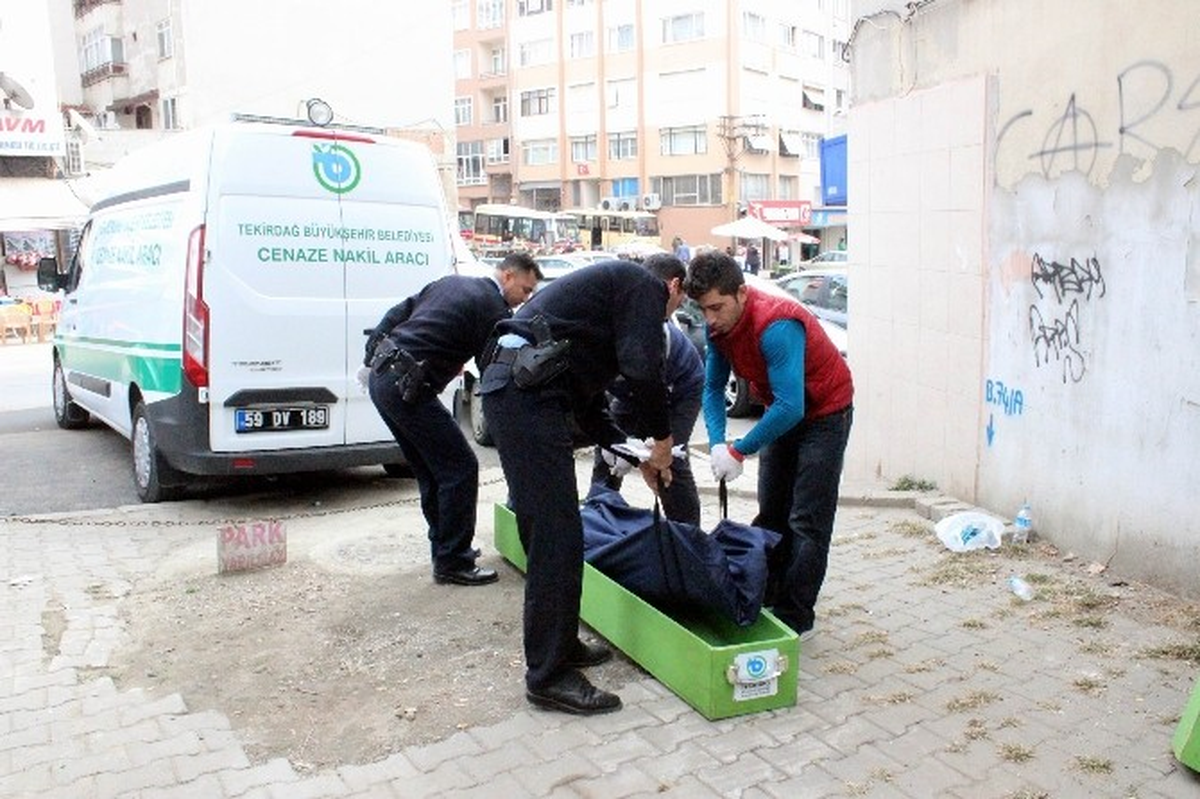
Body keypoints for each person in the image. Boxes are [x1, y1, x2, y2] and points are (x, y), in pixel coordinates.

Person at [479, 259, 684, 715]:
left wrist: (635, 452)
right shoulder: (644, 287)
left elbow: (588, 401)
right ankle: (548, 677)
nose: (668, 315)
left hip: (519, 389)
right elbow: (642, 369)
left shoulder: (605, 301)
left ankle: (561, 643)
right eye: (678, 304)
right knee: (557, 534)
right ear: (674, 286)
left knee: (554, 531)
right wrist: (664, 443)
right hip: (524, 395)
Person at [684, 251, 853, 638]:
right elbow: (711, 388)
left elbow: (792, 405)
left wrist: (740, 449)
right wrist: (716, 444)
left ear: (742, 293)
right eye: (703, 309)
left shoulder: (776, 325)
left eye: (717, 307)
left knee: (807, 521)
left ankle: (797, 615)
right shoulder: (719, 329)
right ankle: (769, 592)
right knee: (772, 510)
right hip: (783, 413)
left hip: (824, 413)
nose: (710, 319)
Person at [363, 253, 542, 587]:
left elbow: (398, 312)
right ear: (507, 276)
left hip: (384, 377)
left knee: (433, 470)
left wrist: (371, 356)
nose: (526, 298)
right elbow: (493, 369)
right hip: (407, 386)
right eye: (525, 289)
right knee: (461, 467)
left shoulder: (451, 283)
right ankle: (453, 560)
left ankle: (445, 550)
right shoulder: (493, 309)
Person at [590, 254, 703, 525]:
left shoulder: (656, 332)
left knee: (668, 462)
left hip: (679, 392)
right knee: (609, 459)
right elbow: (591, 383)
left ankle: (687, 536)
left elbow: (650, 392)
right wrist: (609, 437)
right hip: (629, 392)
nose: (674, 310)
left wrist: (657, 445)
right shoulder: (615, 311)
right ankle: (596, 524)